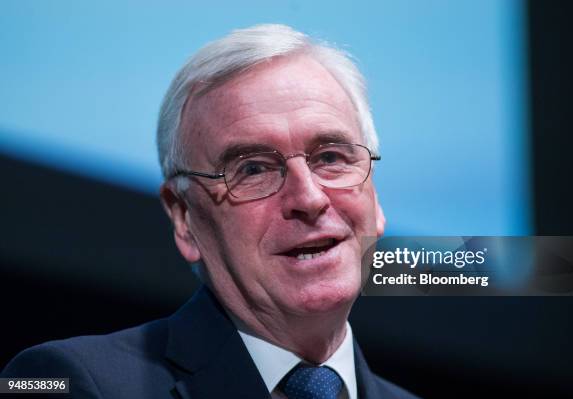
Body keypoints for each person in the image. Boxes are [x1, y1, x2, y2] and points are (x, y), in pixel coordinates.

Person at [2, 24, 417, 399]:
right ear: (183, 218)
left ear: (374, 198)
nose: (309, 198)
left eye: (330, 157)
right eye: (253, 169)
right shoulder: (69, 382)